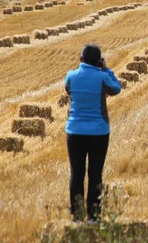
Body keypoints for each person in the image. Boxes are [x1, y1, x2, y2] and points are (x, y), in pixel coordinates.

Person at [64, 44, 122, 221]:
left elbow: (68, 91)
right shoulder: (103, 77)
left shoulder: (71, 76)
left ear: (80, 59)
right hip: (98, 132)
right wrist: (107, 70)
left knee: (76, 173)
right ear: (98, 61)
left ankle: (77, 216)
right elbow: (116, 89)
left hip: (74, 131)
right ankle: (94, 216)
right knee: (95, 174)